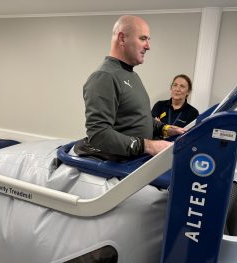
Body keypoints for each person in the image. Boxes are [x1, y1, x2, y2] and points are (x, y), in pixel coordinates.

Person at [76, 15, 186, 161]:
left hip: (138, 159)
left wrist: (164, 129)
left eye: (148, 40)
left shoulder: (132, 75)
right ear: (122, 39)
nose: (148, 46)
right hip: (121, 165)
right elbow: (98, 134)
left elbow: (139, 117)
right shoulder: (105, 76)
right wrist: (148, 146)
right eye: (142, 38)